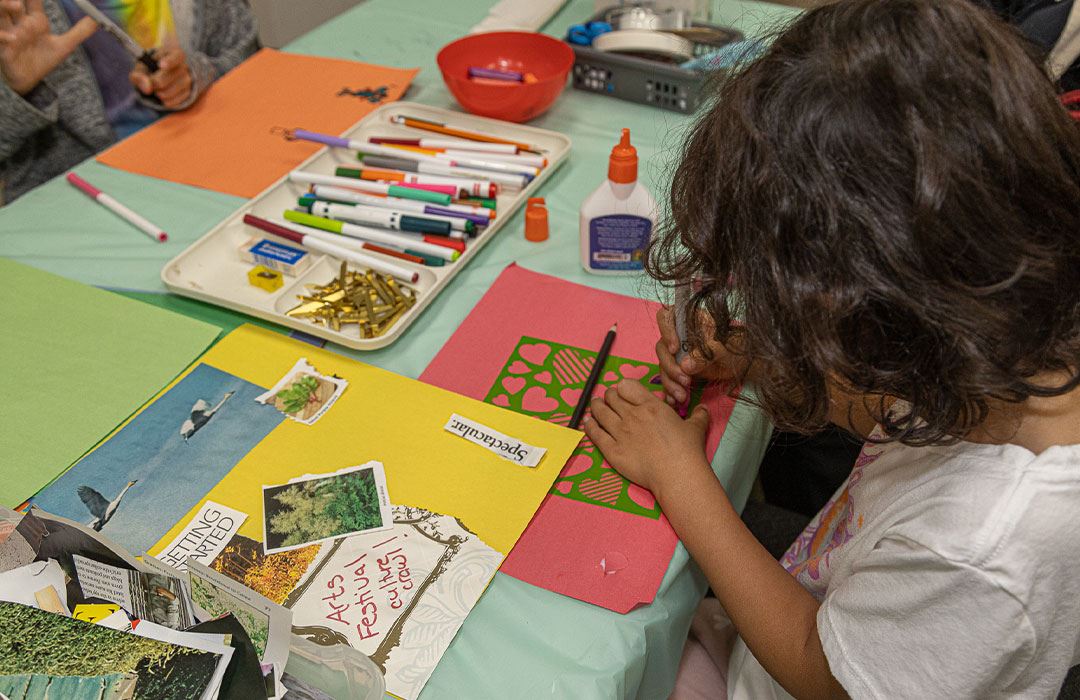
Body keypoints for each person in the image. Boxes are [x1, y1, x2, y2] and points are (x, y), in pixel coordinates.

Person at [583, 0, 1080, 696]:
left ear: (883, 325)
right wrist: (756, 354)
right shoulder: (996, 325)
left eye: (796, 333)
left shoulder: (982, 550)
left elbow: (828, 676)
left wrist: (680, 478)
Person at [0, 0, 257, 204]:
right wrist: (18, 91)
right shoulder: (11, 15)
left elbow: (251, 60)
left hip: (216, 165)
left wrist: (193, 76)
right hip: (80, 203)